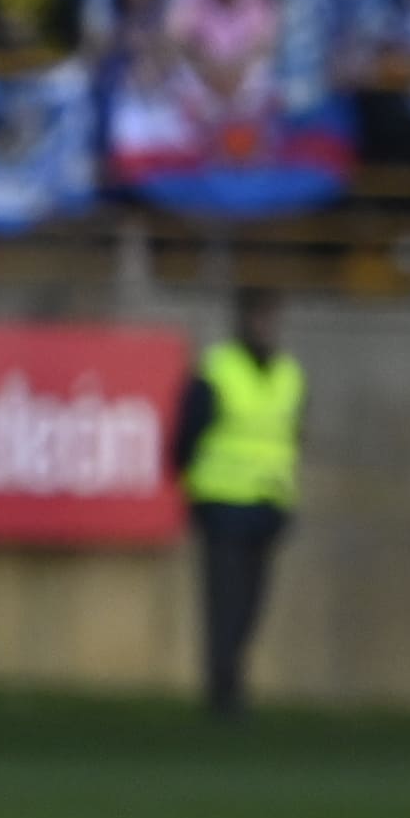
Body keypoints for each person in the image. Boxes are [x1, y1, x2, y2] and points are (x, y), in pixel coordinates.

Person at [173, 290, 302, 715]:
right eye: (260, 318)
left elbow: (290, 439)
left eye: (272, 319)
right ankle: (224, 690)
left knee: (251, 605)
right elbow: (186, 432)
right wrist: (189, 483)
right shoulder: (219, 370)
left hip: (267, 504)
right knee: (224, 602)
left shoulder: (289, 374)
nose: (266, 328)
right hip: (223, 503)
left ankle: (231, 678)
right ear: (243, 321)